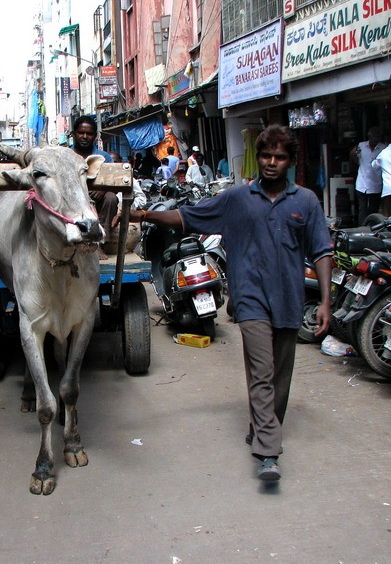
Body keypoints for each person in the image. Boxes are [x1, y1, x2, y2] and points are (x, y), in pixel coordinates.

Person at [121, 124, 333, 482]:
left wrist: (326, 301)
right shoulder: (237, 199)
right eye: (266, 155)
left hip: (289, 299)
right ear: (258, 158)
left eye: (279, 157)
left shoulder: (306, 202)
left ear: (291, 162)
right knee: (262, 371)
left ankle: (264, 425)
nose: (271, 163)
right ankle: (268, 452)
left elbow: (323, 252)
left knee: (281, 374)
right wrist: (144, 216)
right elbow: (187, 216)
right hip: (249, 298)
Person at [71, 116, 116, 260]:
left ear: (95, 136)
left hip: (97, 200)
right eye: (81, 133)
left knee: (111, 197)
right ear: (74, 134)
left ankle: (99, 244)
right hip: (72, 199)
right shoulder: (65, 155)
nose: (84, 137)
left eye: (89, 133)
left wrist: (102, 189)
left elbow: (115, 181)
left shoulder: (104, 157)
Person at [349, 126, 385, 225]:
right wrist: (353, 154)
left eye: (377, 137)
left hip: (376, 183)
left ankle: (373, 228)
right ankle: (362, 229)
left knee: (373, 209)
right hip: (362, 183)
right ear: (369, 136)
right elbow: (354, 158)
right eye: (373, 136)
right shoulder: (361, 146)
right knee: (362, 209)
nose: (375, 139)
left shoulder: (383, 148)